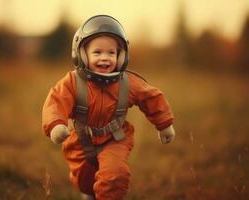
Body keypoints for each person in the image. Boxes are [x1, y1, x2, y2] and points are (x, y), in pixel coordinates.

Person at [42, 15, 175, 200]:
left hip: (115, 138)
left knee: (114, 174)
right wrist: (56, 124)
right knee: (84, 181)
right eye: (97, 52)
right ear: (81, 54)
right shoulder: (72, 82)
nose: (105, 58)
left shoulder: (127, 83)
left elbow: (151, 97)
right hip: (79, 140)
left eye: (111, 53)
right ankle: (88, 193)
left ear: (121, 56)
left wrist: (164, 124)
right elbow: (56, 101)